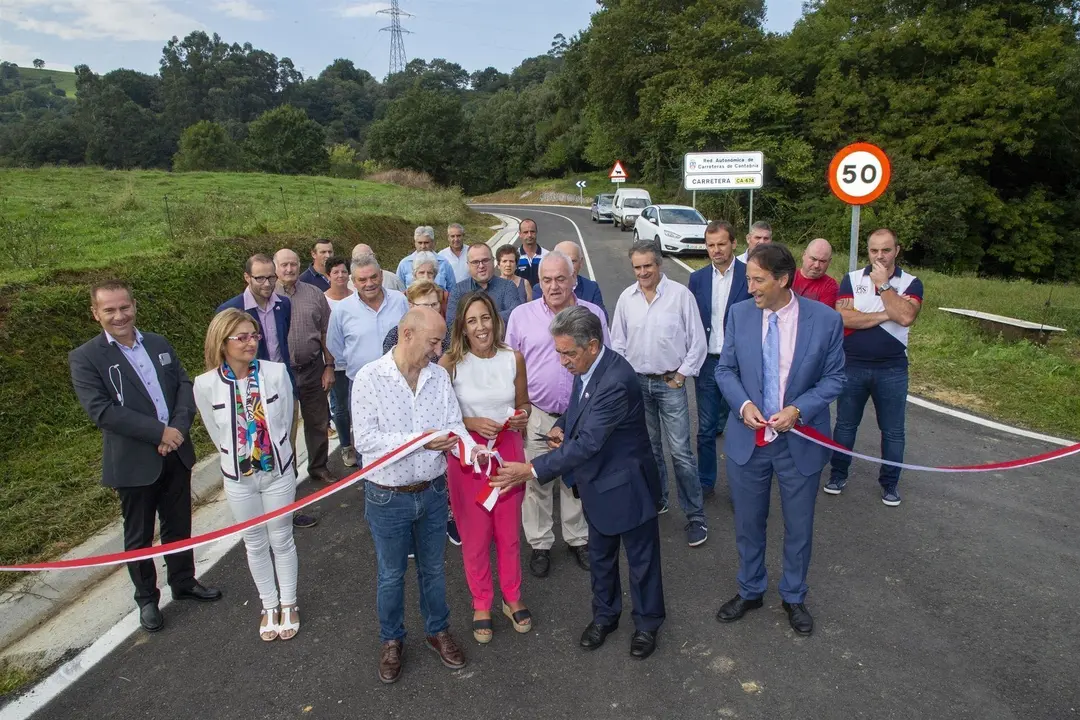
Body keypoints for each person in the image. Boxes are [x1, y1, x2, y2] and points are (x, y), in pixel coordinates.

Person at [490, 306, 665, 660]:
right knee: (600, 558)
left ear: (594, 345)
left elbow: (589, 443)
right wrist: (562, 426)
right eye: (558, 351)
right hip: (597, 485)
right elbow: (580, 405)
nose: (562, 360)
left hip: (628, 487)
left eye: (568, 352)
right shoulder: (587, 367)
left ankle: (647, 624)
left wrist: (529, 469)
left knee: (642, 562)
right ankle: (605, 617)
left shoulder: (616, 380)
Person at [69, 280, 222, 633]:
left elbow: (184, 385)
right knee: (138, 536)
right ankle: (147, 600)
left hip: (176, 450)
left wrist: (178, 429)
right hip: (135, 463)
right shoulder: (86, 357)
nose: (119, 315)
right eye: (109, 310)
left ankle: (183, 582)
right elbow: (101, 411)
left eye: (124, 307)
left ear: (134, 305)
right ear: (96, 314)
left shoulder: (157, 343)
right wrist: (159, 433)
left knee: (178, 522)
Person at [714, 244, 845, 636]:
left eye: (757, 279)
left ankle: (793, 595)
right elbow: (725, 371)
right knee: (748, 523)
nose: (750, 287)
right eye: (749, 279)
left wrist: (798, 410)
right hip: (748, 441)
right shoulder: (739, 314)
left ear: (782, 280)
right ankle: (751, 589)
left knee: (799, 526)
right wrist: (744, 405)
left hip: (799, 442)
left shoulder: (825, 321)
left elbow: (835, 378)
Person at [352, 307, 486, 684]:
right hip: (387, 496)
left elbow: (454, 426)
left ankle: (437, 630)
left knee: (433, 570)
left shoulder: (439, 376)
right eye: (434, 341)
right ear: (407, 334)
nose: (439, 348)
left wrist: (471, 449)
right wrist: (424, 441)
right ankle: (391, 641)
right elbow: (366, 440)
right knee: (391, 575)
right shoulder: (369, 378)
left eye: (440, 341)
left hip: (432, 492)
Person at [193, 309, 300, 642]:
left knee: (282, 538)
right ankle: (269, 605)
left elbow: (286, 418)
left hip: (278, 472)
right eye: (241, 337)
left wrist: (283, 456)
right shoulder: (205, 384)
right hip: (240, 479)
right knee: (254, 543)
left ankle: (289, 602)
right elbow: (216, 432)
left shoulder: (276, 372)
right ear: (222, 342)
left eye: (254, 335)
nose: (250, 342)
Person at [505, 251, 609, 578]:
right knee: (536, 478)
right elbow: (509, 366)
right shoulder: (521, 316)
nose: (553, 286)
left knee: (575, 478)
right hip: (537, 413)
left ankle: (578, 539)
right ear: (539, 283)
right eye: (546, 279)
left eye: (560, 279)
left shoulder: (592, 314)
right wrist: (515, 411)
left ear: (573, 279)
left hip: (581, 413)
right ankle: (539, 544)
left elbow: (607, 361)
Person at [439, 292, 532, 644]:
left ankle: (511, 595)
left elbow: (524, 403)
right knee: (475, 534)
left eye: (486, 318)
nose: (481, 327)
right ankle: (481, 601)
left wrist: (522, 416)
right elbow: (442, 417)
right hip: (468, 454)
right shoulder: (450, 363)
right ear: (462, 326)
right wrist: (473, 421)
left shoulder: (514, 358)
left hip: (507, 450)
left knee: (508, 532)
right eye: (472, 320)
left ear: (495, 320)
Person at [610, 240, 709, 546]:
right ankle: (659, 499)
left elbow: (697, 342)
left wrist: (681, 375)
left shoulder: (681, 296)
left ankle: (695, 516)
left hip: (670, 384)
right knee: (650, 450)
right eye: (637, 267)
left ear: (659, 264)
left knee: (680, 452)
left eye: (648, 266)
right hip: (639, 385)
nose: (642, 272)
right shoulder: (627, 299)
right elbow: (618, 344)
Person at [217, 254, 316, 529]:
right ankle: (257, 510)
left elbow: (280, 346)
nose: (267, 283)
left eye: (271, 277)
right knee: (254, 450)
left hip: (282, 387)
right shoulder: (231, 311)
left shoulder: (283, 304)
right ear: (246, 278)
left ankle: (288, 507)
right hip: (247, 394)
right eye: (260, 277)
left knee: (285, 447)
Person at [826, 228, 923, 506]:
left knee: (892, 431)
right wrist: (886, 313)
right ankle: (837, 474)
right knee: (845, 425)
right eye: (874, 250)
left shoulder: (912, 283)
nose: (879, 256)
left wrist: (883, 287)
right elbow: (843, 317)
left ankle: (890, 484)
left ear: (897, 250)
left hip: (892, 369)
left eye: (886, 250)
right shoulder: (852, 278)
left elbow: (905, 317)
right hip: (852, 364)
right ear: (867, 250)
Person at [327, 254, 410, 468]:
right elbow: (335, 347)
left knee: (404, 435)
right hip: (362, 386)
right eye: (362, 280)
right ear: (353, 282)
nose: (369, 283)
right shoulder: (342, 310)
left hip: (401, 381)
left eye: (373, 277)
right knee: (368, 441)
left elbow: (411, 336)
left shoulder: (400, 301)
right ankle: (374, 486)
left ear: (381, 276)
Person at [688, 220, 750, 500]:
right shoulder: (697, 279)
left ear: (734, 244)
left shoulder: (750, 275)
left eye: (721, 244)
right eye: (710, 245)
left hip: (741, 365)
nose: (716, 250)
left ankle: (742, 485)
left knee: (743, 426)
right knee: (706, 428)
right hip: (708, 363)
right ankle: (705, 482)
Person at [274, 248, 335, 485]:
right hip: (280, 374)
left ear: (300, 265)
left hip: (312, 369)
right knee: (284, 427)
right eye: (284, 265)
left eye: (293, 264)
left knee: (318, 421)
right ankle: (288, 476)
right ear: (275, 267)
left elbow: (326, 332)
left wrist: (329, 365)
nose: (289, 269)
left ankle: (319, 466)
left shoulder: (314, 294)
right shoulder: (269, 297)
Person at [324, 256, 356, 467]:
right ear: (328, 276)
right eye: (335, 272)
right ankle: (346, 446)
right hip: (337, 363)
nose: (340, 276)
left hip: (357, 362)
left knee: (359, 406)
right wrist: (329, 364)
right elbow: (323, 334)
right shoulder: (323, 300)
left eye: (344, 271)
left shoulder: (356, 297)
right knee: (341, 407)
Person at [445, 243, 522, 323]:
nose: (481, 266)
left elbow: (516, 314)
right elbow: (451, 324)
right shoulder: (458, 290)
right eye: (475, 262)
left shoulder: (508, 286)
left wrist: (475, 321)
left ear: (493, 261)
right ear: (468, 265)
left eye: (485, 260)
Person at [531, 240, 607, 321]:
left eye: (572, 261)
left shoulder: (591, 288)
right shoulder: (539, 289)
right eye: (563, 261)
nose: (569, 265)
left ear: (581, 262)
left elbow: (602, 320)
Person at [382, 281, 452, 356]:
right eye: (425, 305)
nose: (430, 309)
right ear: (411, 305)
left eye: (434, 304)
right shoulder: (396, 334)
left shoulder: (448, 332)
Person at [396, 226, 456, 291]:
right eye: (420, 243)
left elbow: (453, 289)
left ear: (433, 243)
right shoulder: (404, 263)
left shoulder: (444, 263)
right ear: (415, 243)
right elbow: (398, 290)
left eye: (426, 243)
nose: (423, 246)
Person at [792, 238, 839, 308]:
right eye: (813, 259)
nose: (817, 265)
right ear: (804, 255)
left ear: (829, 261)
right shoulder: (787, 277)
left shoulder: (830, 286)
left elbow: (821, 315)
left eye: (822, 261)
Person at [410, 250, 450, 316]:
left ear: (435, 275)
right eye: (421, 272)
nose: (426, 277)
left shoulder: (445, 297)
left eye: (430, 273)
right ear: (414, 275)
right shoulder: (405, 297)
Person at [514, 218, 545, 287]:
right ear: (520, 234)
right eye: (525, 232)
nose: (529, 235)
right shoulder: (514, 256)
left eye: (532, 231)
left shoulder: (547, 256)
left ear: (536, 232)